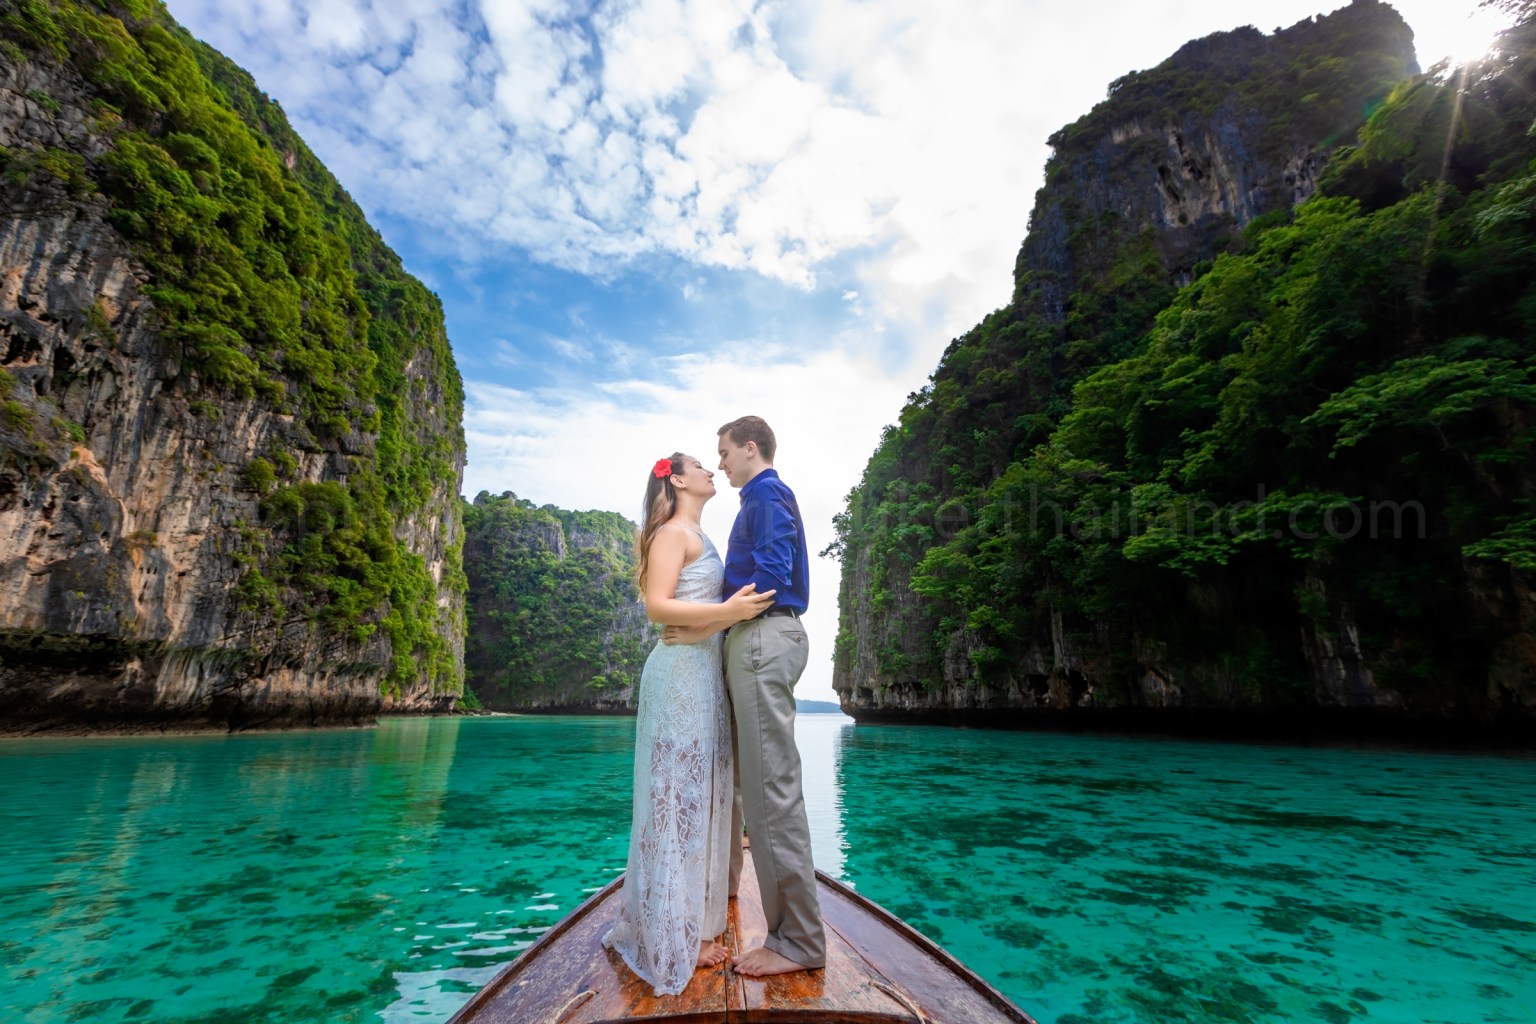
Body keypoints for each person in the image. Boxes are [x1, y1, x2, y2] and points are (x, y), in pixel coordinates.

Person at [602, 453, 776, 997]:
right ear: (677, 480)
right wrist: (730, 614)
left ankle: (687, 924)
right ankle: (675, 934)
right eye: (701, 465)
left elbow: (693, 609)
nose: (710, 470)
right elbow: (658, 606)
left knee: (696, 796)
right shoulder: (671, 532)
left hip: (702, 675)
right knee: (675, 795)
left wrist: (722, 621)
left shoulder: (699, 532)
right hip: (678, 676)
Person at [712, 416, 825, 977]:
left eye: (725, 452)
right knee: (740, 785)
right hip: (752, 639)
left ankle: (798, 942)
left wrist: (727, 616)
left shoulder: (766, 492)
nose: (720, 463)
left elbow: (773, 573)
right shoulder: (755, 497)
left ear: (749, 448)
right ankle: (727, 895)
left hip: (762, 636)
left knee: (769, 791)